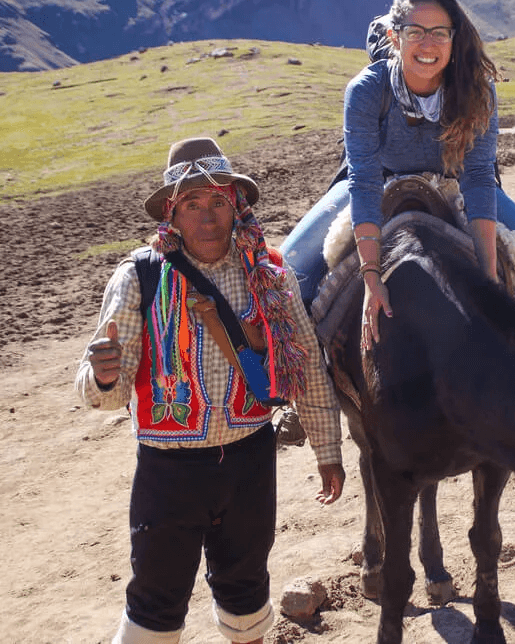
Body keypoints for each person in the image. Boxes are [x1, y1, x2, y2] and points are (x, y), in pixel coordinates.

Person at [75, 136, 345, 644]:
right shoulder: (138, 278)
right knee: (155, 600)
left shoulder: (270, 273)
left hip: (249, 462)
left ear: (236, 206)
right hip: (167, 471)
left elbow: (306, 366)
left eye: (218, 201)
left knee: (245, 589)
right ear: (171, 216)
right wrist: (105, 376)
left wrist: (327, 451)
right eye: (192, 205)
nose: (207, 216)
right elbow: (104, 397)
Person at [281, 0, 515, 346]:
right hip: (374, 182)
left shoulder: (478, 90)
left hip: (456, 182)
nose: (428, 44)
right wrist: (371, 276)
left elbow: (478, 176)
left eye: (439, 33)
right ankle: (304, 375)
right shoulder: (366, 89)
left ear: (454, 38)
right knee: (289, 273)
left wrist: (490, 279)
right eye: (415, 32)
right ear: (395, 38)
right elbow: (363, 180)